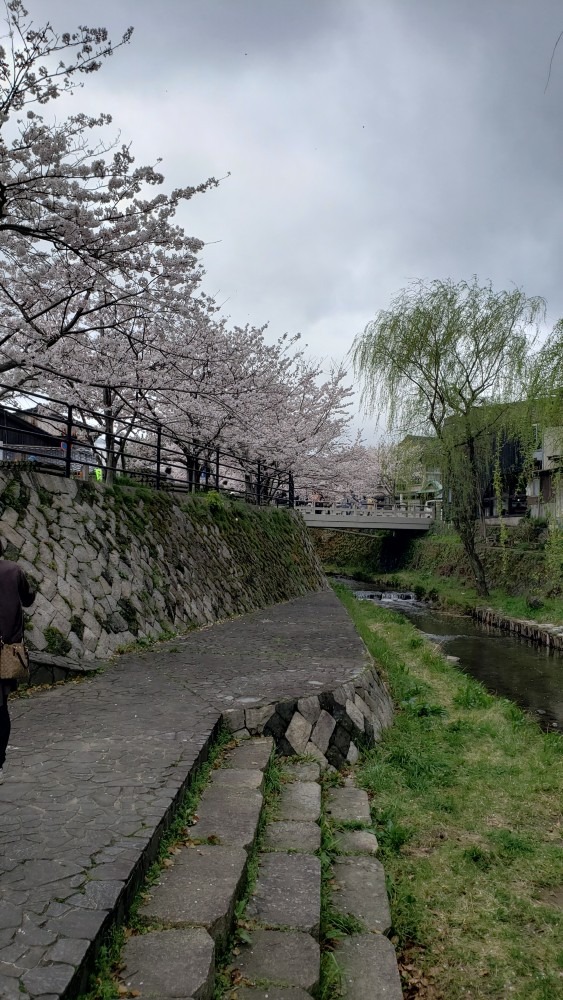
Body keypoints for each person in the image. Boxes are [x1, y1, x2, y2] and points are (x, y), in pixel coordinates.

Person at [0, 541, 35, 782]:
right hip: (6, 652)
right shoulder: (13, 571)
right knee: (1, 708)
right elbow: (28, 599)